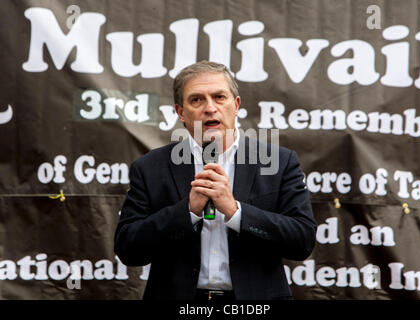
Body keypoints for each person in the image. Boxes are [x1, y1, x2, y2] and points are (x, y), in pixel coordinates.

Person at [114, 60, 316, 300]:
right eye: (197, 99)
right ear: (180, 113)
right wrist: (187, 211)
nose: (210, 108)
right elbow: (129, 249)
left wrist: (235, 211)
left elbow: (302, 240)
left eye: (219, 97)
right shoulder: (150, 168)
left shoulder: (279, 162)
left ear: (236, 104)